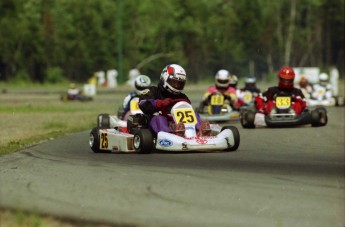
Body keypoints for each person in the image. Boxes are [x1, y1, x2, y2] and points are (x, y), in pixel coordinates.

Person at [138, 64, 210, 137]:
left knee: (194, 114)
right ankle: (170, 135)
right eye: (174, 82)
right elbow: (142, 103)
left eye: (180, 83)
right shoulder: (153, 91)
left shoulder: (182, 97)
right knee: (159, 118)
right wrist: (159, 104)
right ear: (164, 78)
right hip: (157, 125)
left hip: (178, 124)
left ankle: (199, 132)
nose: (177, 86)